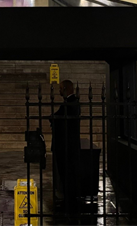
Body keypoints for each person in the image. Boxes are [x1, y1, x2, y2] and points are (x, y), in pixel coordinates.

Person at [48, 79, 81, 211]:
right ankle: (69, 200)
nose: (59, 91)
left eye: (61, 88)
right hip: (67, 145)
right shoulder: (70, 103)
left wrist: (53, 119)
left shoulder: (70, 104)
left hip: (66, 145)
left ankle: (69, 202)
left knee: (66, 173)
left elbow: (59, 119)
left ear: (66, 89)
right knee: (67, 174)